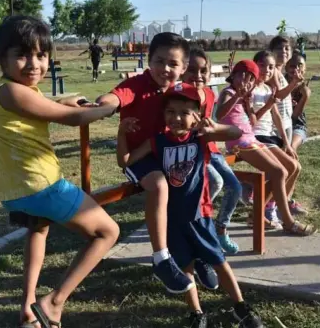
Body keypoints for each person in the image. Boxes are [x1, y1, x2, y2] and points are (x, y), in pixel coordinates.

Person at [0, 15, 120, 328]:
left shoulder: (8, 89)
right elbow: (69, 119)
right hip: (42, 186)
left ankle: (28, 309)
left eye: (41, 55)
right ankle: (54, 303)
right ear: (1, 58)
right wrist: (107, 108)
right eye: (22, 55)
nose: (34, 64)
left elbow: (42, 103)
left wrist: (68, 99)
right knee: (108, 232)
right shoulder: (13, 92)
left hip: (16, 191)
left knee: (39, 229)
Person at [116, 83, 264, 328]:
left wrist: (214, 126)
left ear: (197, 116)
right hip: (172, 220)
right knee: (184, 266)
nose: (176, 118)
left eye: (184, 112)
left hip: (200, 215)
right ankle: (196, 312)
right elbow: (126, 160)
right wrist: (121, 133)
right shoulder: (157, 141)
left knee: (219, 261)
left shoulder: (201, 137)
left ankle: (240, 307)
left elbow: (235, 133)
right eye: (170, 111)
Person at [95, 32, 217, 294]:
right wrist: (102, 105)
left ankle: (199, 253)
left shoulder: (177, 91)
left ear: (183, 68)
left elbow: (201, 112)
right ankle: (161, 258)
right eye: (159, 61)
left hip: (168, 154)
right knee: (160, 185)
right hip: (139, 156)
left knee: (198, 182)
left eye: (173, 64)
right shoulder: (137, 84)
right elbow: (115, 97)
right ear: (148, 61)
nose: (165, 69)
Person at [215, 59, 317, 235]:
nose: (246, 81)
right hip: (238, 145)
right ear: (233, 76)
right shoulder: (228, 92)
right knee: (279, 172)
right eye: (242, 76)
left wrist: (247, 104)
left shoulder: (244, 96)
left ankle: (261, 213)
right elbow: (219, 114)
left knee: (285, 170)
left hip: (251, 139)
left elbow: (252, 121)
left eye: (251, 79)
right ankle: (288, 221)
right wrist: (238, 97)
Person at [181, 46, 241, 254]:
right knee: (215, 182)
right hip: (192, 151)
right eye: (191, 70)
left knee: (235, 187)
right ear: (182, 70)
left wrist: (210, 128)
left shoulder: (208, 93)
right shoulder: (179, 95)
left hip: (211, 148)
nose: (197, 76)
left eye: (203, 70)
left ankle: (220, 228)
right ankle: (192, 222)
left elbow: (212, 125)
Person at [251, 50, 304, 225]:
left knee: (295, 167)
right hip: (256, 136)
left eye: (271, 67)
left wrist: (287, 144)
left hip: (269, 136)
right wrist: (268, 105)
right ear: (254, 65)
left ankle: (268, 207)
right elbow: (251, 121)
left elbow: (276, 116)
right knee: (284, 169)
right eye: (262, 66)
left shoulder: (267, 88)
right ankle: (273, 212)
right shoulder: (248, 89)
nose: (266, 70)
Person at [267, 36, 308, 216]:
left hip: (286, 124)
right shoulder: (273, 71)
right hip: (275, 128)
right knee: (282, 169)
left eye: (287, 49)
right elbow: (278, 98)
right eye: (280, 48)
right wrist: (294, 84)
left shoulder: (280, 72)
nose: (284, 52)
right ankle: (269, 207)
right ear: (271, 51)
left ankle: (278, 203)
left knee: (288, 167)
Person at [285, 54, 311, 151]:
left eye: (300, 65)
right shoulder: (279, 82)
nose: (296, 68)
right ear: (286, 67)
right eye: (292, 66)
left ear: (305, 69)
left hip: (297, 125)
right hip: (278, 124)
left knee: (291, 147)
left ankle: (293, 166)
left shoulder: (304, 89)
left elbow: (295, 116)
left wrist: (305, 96)